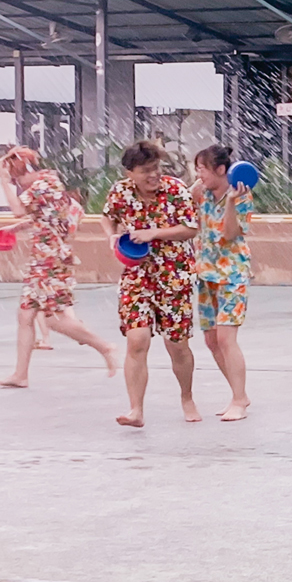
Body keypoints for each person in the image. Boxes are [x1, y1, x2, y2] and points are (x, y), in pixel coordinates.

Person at [0, 147, 118, 388]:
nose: (17, 184)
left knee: (54, 320)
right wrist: (16, 229)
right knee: (26, 315)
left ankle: (104, 347)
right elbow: (46, 217)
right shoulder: (50, 183)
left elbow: (18, 210)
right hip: (46, 257)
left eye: (16, 179)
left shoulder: (42, 186)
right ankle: (21, 374)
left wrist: (2, 181)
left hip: (48, 259)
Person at [102, 140, 200, 427]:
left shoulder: (175, 190)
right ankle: (136, 410)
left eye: (156, 168)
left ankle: (187, 396)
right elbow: (107, 217)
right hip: (136, 275)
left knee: (177, 344)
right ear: (130, 172)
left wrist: (153, 233)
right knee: (136, 340)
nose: (154, 175)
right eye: (146, 171)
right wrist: (111, 234)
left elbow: (191, 229)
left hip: (174, 274)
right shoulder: (120, 192)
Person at [191, 145, 253, 422]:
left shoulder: (243, 197)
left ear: (220, 170)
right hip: (206, 275)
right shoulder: (202, 192)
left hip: (232, 276)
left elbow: (229, 233)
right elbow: (189, 193)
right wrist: (203, 175)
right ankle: (238, 394)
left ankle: (239, 400)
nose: (198, 175)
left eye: (202, 169)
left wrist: (229, 199)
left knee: (227, 339)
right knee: (211, 340)